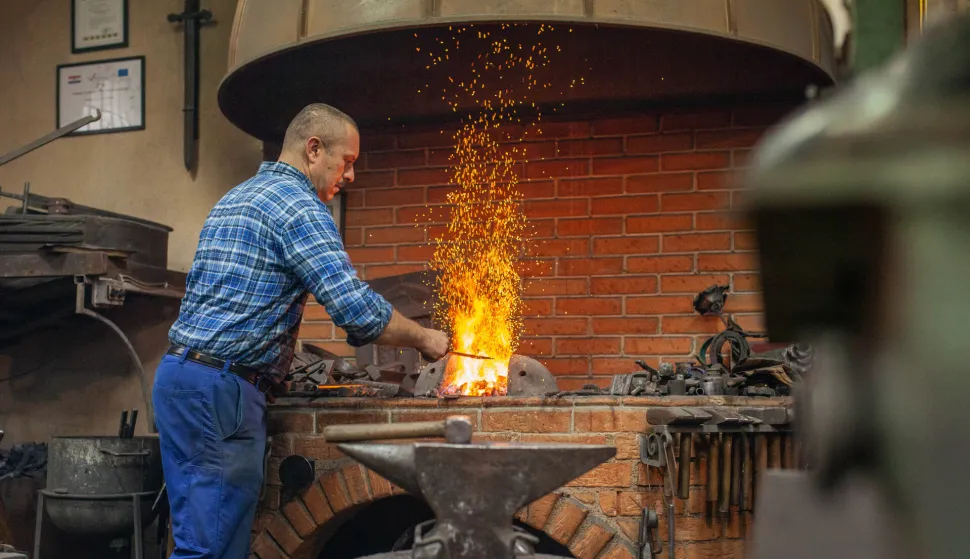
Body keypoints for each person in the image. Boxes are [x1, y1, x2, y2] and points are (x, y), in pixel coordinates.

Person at [152, 103, 449, 559]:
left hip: (181, 379)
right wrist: (428, 339)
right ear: (314, 150)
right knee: (208, 549)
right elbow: (356, 311)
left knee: (205, 541)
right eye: (346, 161)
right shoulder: (300, 208)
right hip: (220, 392)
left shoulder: (237, 197)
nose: (350, 175)